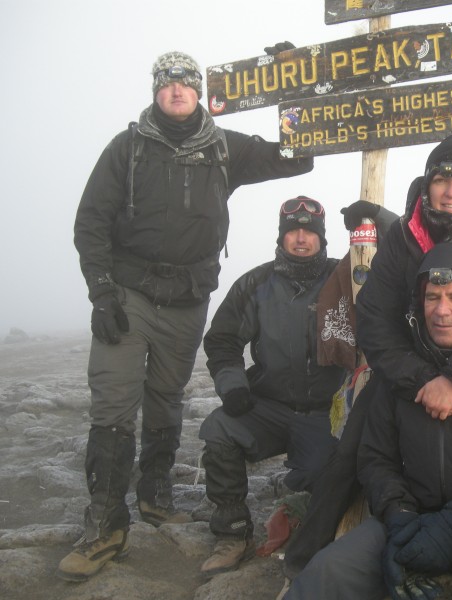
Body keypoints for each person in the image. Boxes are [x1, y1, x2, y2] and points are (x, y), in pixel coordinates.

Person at [62, 51, 313, 582]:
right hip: (128, 293)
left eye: (185, 81)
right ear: (156, 90)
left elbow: (297, 157)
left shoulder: (225, 149)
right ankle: (104, 526)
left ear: (199, 91)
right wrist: (101, 291)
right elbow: (91, 221)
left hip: (188, 298)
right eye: (167, 81)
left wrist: (296, 92)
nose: (176, 89)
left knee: (166, 396)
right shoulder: (127, 149)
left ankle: (155, 496)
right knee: (112, 402)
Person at [281, 134, 452, 577]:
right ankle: (305, 560)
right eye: (441, 179)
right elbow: (376, 318)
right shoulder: (402, 236)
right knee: (349, 456)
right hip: (408, 364)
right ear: (426, 185)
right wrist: (422, 379)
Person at [284, 239, 452, 600]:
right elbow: (375, 458)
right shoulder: (400, 369)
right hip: (409, 529)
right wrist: (400, 515)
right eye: (432, 297)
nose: (441, 310)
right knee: (328, 572)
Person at [197, 197, 347, 577]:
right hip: (268, 406)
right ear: (281, 236)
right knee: (219, 429)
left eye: (309, 232)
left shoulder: (345, 279)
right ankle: (232, 533)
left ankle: (305, 520)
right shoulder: (255, 283)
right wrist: (232, 385)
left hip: (325, 412)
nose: (301, 239)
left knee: (322, 479)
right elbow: (223, 340)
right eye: (293, 231)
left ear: (321, 237)